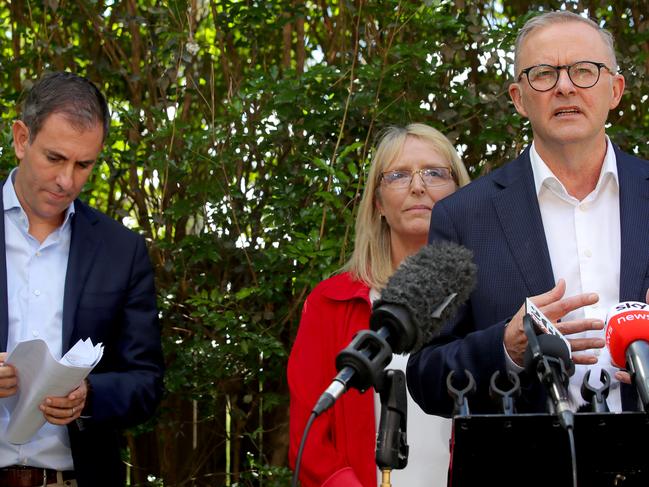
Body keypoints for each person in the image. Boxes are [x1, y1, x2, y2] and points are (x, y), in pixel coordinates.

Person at [408, 11, 648, 418]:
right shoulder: (463, 216)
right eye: (544, 74)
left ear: (615, 90)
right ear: (519, 98)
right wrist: (506, 346)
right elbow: (426, 374)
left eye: (584, 71)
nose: (566, 87)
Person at [0, 72, 164, 487]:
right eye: (55, 158)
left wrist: (89, 394)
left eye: (84, 164)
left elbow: (146, 381)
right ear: (22, 139)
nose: (67, 181)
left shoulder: (120, 251)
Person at [288, 123, 471, 487]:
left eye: (434, 173)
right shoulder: (331, 303)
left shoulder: (486, 296)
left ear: (461, 193)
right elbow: (309, 441)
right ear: (377, 202)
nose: (418, 186)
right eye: (399, 175)